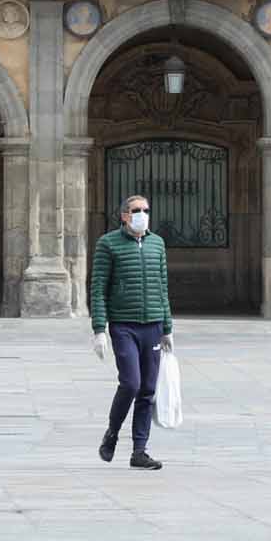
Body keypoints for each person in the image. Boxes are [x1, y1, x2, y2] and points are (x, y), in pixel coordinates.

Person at [90, 193, 173, 471]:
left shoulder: (157, 244)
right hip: (123, 325)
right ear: (124, 215)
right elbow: (98, 288)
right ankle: (112, 433)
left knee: (147, 390)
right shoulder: (108, 244)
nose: (142, 215)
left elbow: (163, 287)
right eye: (137, 210)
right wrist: (99, 329)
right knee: (131, 383)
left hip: (153, 325)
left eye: (146, 210)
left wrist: (167, 328)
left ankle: (140, 451)